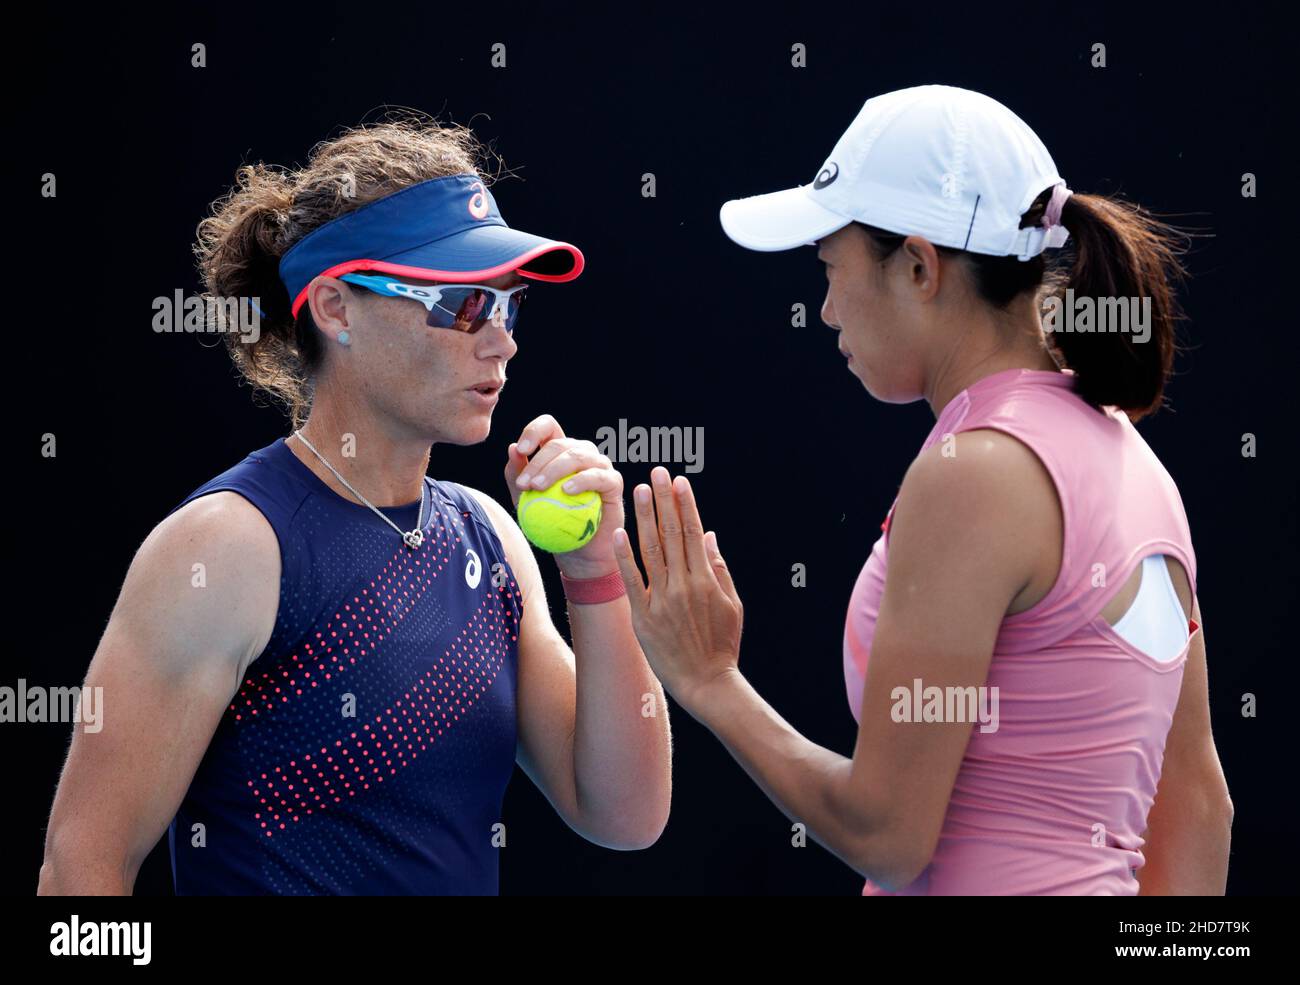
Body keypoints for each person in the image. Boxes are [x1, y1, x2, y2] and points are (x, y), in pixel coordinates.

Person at [611, 85, 1233, 895]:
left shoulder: (975, 472)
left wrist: (708, 681)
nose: (826, 309)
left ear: (917, 266)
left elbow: (888, 834)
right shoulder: (1136, 461)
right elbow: (1197, 804)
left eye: (831, 268)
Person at [38, 118, 670, 895]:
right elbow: (80, 872)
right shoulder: (225, 547)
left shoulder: (492, 539)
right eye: (465, 305)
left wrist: (593, 572)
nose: (501, 342)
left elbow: (625, 814)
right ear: (336, 307)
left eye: (509, 307)